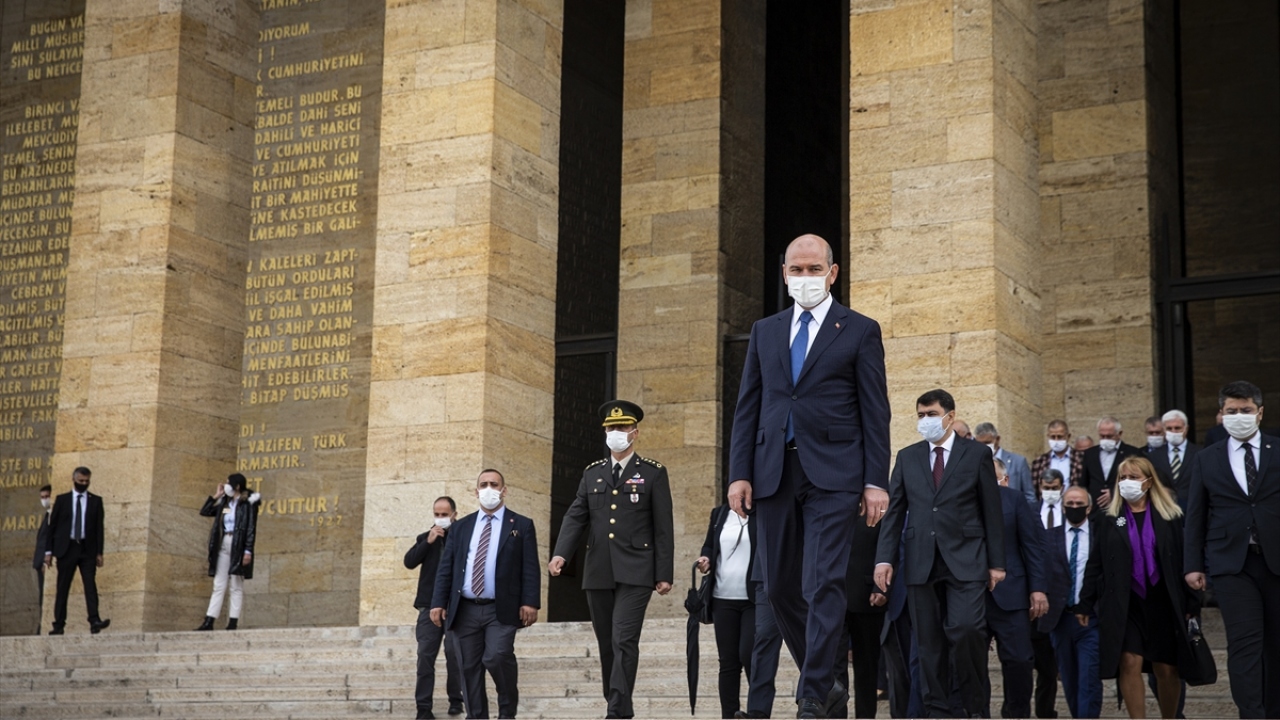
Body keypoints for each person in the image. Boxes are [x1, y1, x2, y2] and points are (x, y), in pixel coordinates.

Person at [727, 233, 891, 719]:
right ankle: (826, 681)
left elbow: (875, 411)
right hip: (773, 471)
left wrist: (875, 480)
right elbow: (748, 405)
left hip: (835, 473)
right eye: (796, 270)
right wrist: (739, 473)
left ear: (832, 273)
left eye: (814, 269)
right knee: (778, 589)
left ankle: (814, 694)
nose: (805, 277)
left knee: (822, 581)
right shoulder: (765, 331)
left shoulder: (860, 330)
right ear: (784, 274)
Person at [874, 388, 1005, 718]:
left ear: (950, 416)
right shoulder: (907, 457)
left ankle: (974, 708)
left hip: (967, 558)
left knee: (967, 630)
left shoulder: (976, 454)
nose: (925, 421)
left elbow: (991, 510)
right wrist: (885, 558)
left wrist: (996, 563)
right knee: (928, 645)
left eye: (931, 414)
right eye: (920, 415)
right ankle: (937, 711)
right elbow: (895, 512)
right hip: (921, 560)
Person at [549, 400, 674, 719]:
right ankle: (617, 702)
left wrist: (664, 573)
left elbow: (663, 527)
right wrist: (561, 553)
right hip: (598, 569)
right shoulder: (593, 473)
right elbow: (576, 515)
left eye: (622, 427)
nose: (615, 432)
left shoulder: (653, 473)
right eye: (610, 428)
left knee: (623, 638)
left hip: (637, 569)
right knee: (607, 642)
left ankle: (617, 709)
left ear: (635, 432)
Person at [1184, 380, 1279, 718]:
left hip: (1276, 561)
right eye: (1232, 411)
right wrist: (1192, 564)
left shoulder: (1278, 450)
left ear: (1260, 412)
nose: (1239, 416)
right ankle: (1251, 714)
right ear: (1221, 414)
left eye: (1246, 410)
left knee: (1275, 644)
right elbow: (1195, 514)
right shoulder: (1206, 458)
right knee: (1244, 643)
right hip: (1231, 565)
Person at [1078, 457, 1197, 719]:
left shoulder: (1170, 516)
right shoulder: (1110, 519)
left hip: (1162, 601)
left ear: (1149, 481)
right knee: (1129, 661)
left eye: (1133, 477)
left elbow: (1183, 561)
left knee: (1166, 668)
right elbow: (1096, 563)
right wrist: (1085, 602)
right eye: (1123, 478)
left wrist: (1192, 601)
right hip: (1126, 603)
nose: (1127, 482)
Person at [432, 470, 540, 720]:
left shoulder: (521, 525)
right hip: (465, 608)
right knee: (468, 668)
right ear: (476, 491)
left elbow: (530, 567)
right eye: (483, 484)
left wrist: (530, 601)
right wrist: (438, 602)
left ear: (504, 490)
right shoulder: (461, 527)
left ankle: (507, 711)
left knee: (497, 656)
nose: (488, 488)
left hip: (500, 608)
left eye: (494, 484)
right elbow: (446, 568)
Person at [985, 457, 1049, 718]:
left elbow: (1033, 546)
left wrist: (1038, 589)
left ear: (1005, 479)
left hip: (1012, 594)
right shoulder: (961, 500)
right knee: (966, 662)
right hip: (971, 595)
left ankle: (1017, 713)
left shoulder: (1016, 500)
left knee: (1020, 660)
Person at [1045, 485, 1101, 719]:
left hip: (1091, 618)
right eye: (1070, 504)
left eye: (1079, 504)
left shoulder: (1101, 534)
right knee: (1069, 678)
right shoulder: (1049, 536)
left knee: (1089, 677)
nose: (1074, 507)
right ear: (1062, 507)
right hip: (1060, 618)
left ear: (1089, 508)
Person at [697, 504, 758, 719]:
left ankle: (757, 712)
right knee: (728, 662)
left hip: (753, 600)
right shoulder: (720, 514)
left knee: (749, 655)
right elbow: (709, 545)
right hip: (722, 598)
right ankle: (729, 715)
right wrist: (705, 559)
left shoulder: (762, 512)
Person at [406, 496, 465, 719]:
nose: (440, 518)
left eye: (444, 515)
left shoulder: (462, 538)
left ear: (454, 515)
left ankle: (456, 700)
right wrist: (428, 542)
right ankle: (423, 708)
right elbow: (409, 561)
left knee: (454, 654)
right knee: (425, 657)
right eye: (437, 514)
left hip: (454, 608)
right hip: (428, 608)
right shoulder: (426, 538)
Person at [44, 467, 109, 635]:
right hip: (67, 548)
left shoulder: (95, 501)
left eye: (87, 481)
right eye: (81, 481)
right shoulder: (63, 500)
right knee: (63, 587)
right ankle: (58, 625)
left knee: (90, 585)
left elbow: (99, 529)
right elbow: (52, 527)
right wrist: (48, 552)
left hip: (87, 549)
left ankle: (94, 620)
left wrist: (99, 552)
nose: (84, 484)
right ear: (74, 480)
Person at [833, 520, 886, 719]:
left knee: (867, 668)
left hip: (867, 597)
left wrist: (881, 587)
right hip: (831, 597)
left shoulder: (878, 509)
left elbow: (887, 547)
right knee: (834, 668)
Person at [196, 473, 260, 631]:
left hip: (239, 545)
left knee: (236, 585)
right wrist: (216, 496)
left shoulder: (248, 503)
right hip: (224, 542)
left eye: (228, 483)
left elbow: (251, 528)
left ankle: (232, 622)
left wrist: (248, 551)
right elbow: (205, 511)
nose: (225, 485)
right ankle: (209, 621)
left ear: (237, 486)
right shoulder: (225, 503)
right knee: (219, 583)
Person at [740, 569, 783, 719]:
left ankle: (820, 694)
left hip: (804, 573)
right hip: (765, 574)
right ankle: (758, 710)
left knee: (808, 638)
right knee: (764, 636)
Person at [1082, 417, 1142, 510]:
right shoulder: (1090, 454)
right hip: (1095, 509)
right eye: (1102, 436)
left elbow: (1138, 481)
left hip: (1122, 507)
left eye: (1109, 436)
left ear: (1119, 434)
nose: (1105, 439)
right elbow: (1084, 482)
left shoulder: (1132, 453)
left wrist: (1114, 493)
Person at [1146, 410, 1199, 511]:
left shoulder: (1199, 454)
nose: (1173, 431)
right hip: (1163, 508)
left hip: (1192, 508)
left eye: (1177, 428)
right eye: (1169, 428)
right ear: (1164, 430)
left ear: (1186, 429)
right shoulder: (1153, 456)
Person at [976, 422, 1035, 504]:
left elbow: (1030, 496)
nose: (984, 447)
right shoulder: (974, 462)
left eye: (987, 442)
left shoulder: (1018, 462)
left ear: (997, 439)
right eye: (980, 444)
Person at [1032, 420, 1086, 488]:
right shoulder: (1039, 461)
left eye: (1060, 437)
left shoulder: (1082, 458)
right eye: (1053, 437)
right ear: (1048, 436)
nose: (1056, 440)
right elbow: (1035, 486)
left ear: (1068, 436)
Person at [32, 484, 51, 634]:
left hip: (46, 564)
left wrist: (45, 561)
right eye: (42, 497)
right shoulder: (47, 515)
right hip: (40, 563)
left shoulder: (53, 515)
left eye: (47, 496)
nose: (44, 500)